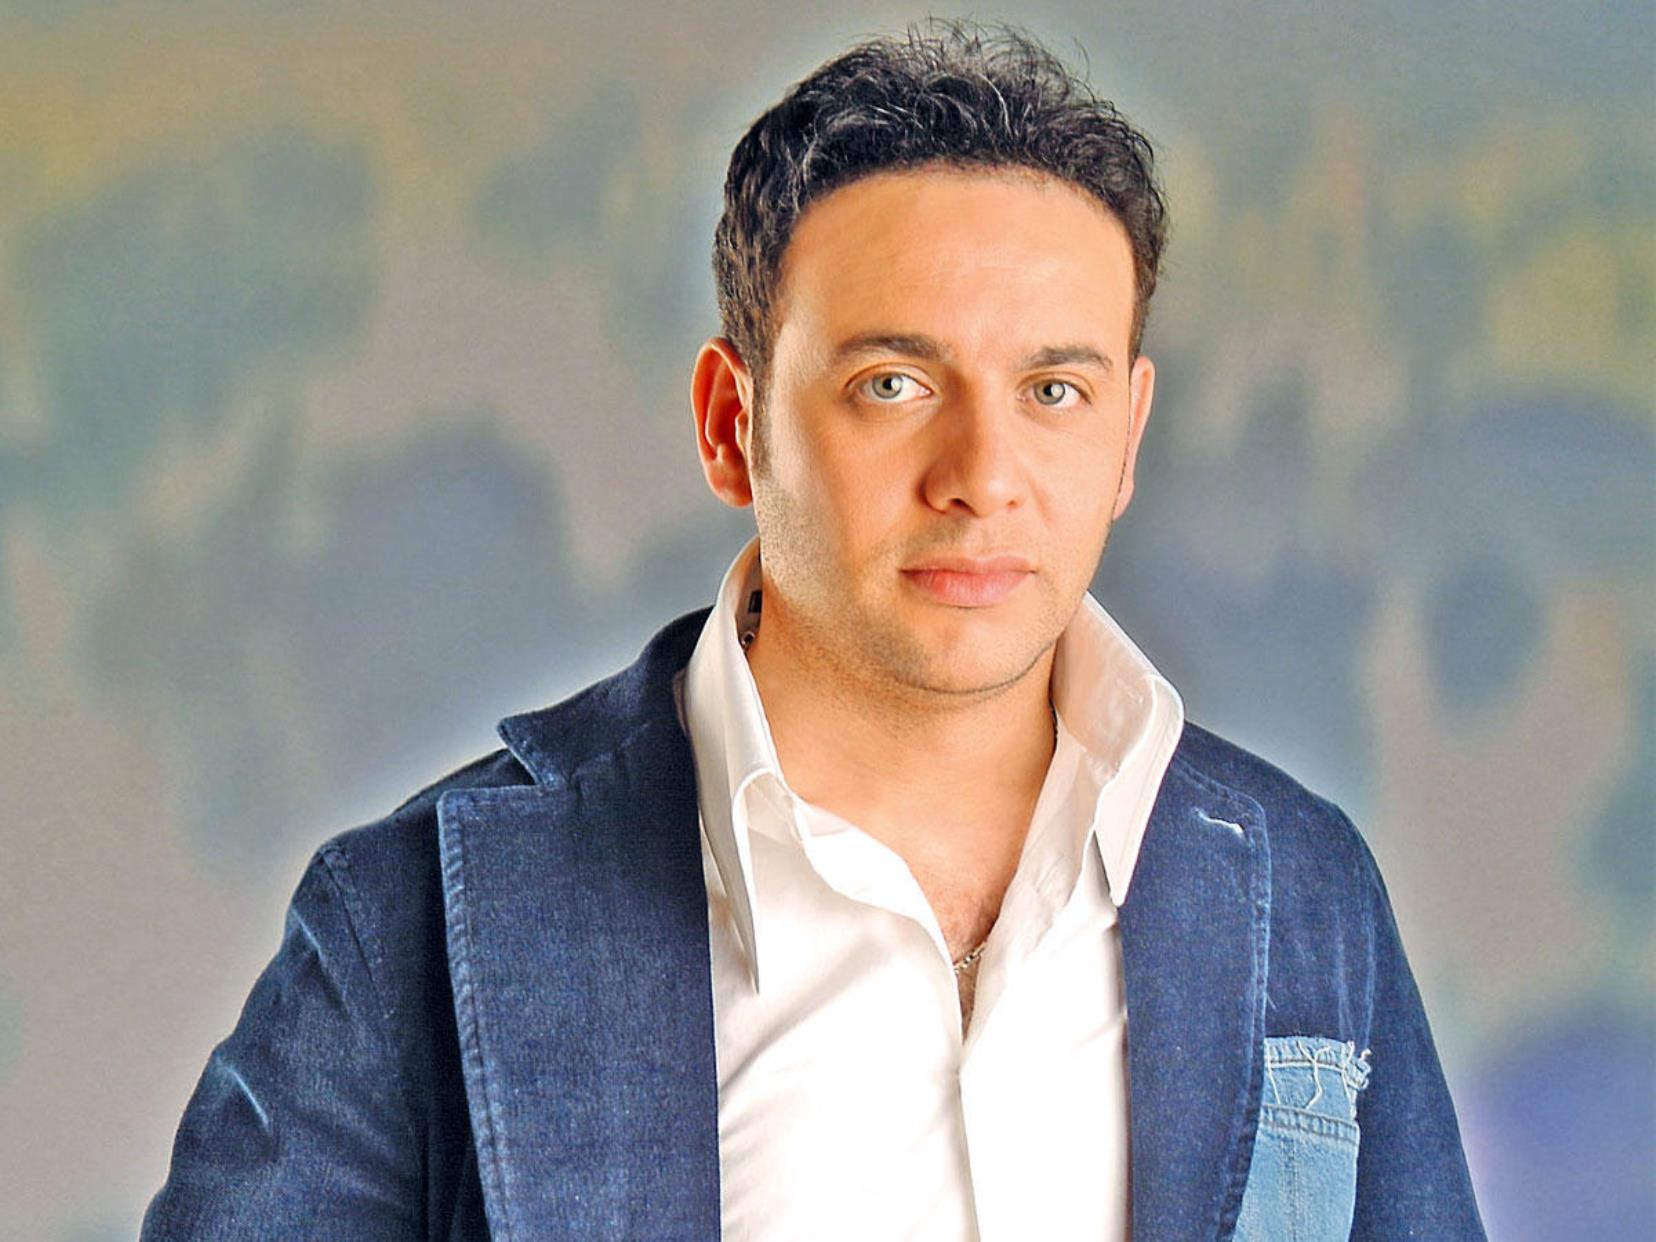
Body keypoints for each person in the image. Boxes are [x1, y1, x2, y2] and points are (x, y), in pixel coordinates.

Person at [142, 20, 1486, 1241]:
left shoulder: (1305, 889)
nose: (983, 475)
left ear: (1129, 435)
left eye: (1053, 391)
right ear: (733, 424)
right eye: (893, 383)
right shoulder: (412, 923)